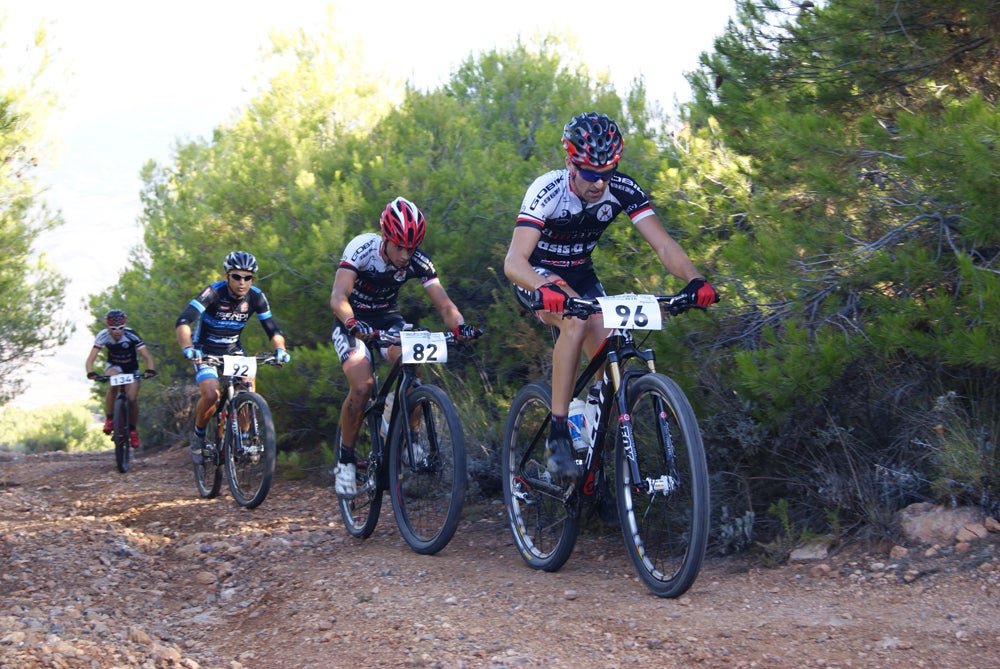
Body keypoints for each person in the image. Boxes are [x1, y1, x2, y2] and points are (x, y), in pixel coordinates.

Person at [503, 111, 720, 479]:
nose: (599, 184)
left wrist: (695, 280)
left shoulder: (621, 188)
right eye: (590, 173)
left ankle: (592, 452)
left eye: (607, 173)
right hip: (536, 274)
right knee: (576, 320)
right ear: (570, 162)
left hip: (581, 276)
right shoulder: (548, 190)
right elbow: (513, 261)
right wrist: (543, 288)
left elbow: (664, 246)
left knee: (610, 368)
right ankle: (557, 433)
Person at [329, 196, 481, 498]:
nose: (405, 254)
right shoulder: (361, 249)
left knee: (412, 362)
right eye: (399, 246)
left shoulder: (417, 260)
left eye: (411, 247)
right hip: (352, 321)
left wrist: (459, 327)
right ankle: (345, 460)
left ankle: (410, 437)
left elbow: (444, 304)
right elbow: (338, 297)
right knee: (362, 387)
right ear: (385, 237)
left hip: (386, 319)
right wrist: (352, 324)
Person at [175, 251, 291, 464]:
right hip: (204, 350)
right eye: (237, 276)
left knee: (247, 390)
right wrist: (188, 347)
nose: (242, 282)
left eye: (247, 277)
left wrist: (280, 350)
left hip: (232, 350)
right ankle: (198, 436)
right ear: (227, 275)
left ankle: (244, 440)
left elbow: (273, 330)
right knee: (211, 395)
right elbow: (183, 321)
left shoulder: (256, 297)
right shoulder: (213, 292)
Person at [85, 309, 157, 448]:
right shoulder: (103, 336)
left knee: (131, 399)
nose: (117, 332)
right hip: (114, 366)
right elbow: (90, 360)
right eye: (113, 329)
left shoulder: (131, 335)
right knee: (113, 383)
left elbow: (147, 356)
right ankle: (110, 419)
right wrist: (90, 372)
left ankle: (132, 430)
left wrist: (149, 369)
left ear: (125, 326)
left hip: (132, 368)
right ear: (107, 327)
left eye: (120, 328)